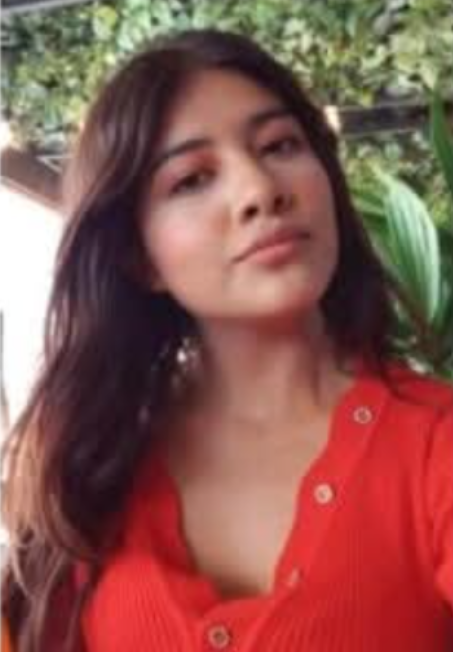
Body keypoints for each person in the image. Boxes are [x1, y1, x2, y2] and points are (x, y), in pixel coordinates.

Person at [1, 28, 452, 652]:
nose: (261, 190)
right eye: (191, 179)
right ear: (139, 257)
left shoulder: (433, 446)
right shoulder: (86, 467)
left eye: (280, 145)